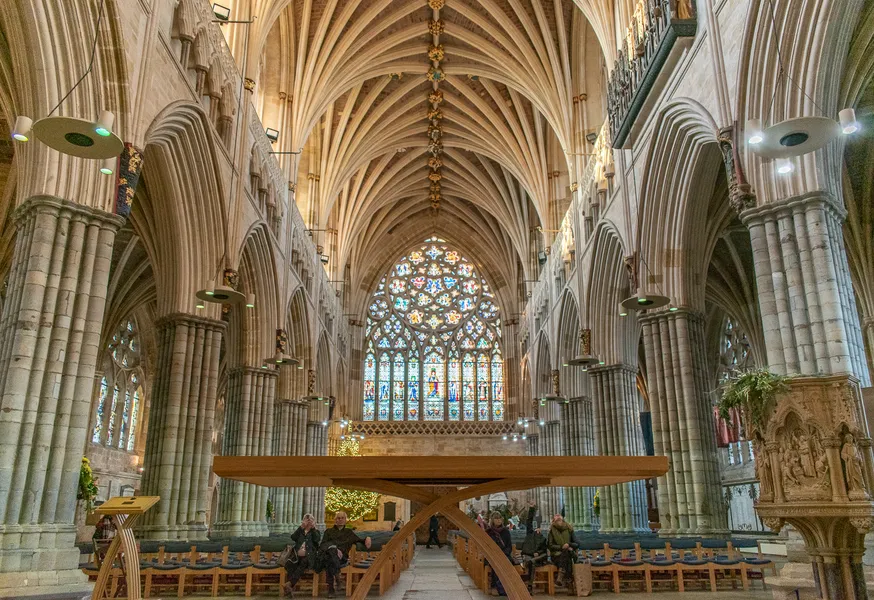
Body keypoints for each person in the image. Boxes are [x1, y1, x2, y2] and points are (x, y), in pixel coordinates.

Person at [318, 511, 372, 598]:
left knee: (329, 560)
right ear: (335, 520)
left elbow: (360, 540)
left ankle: (331, 589)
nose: (340, 520)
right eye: (338, 518)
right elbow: (322, 545)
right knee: (331, 555)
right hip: (330, 556)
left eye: (342, 518)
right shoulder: (328, 531)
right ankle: (338, 578)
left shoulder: (349, 532)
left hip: (342, 558)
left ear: (345, 520)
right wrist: (334, 548)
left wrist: (368, 538)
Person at [283, 513, 321, 598]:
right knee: (290, 563)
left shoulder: (315, 532)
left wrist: (313, 528)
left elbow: (317, 539)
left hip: (310, 557)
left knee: (304, 561)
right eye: (306, 520)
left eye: (310, 520)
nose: (308, 522)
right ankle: (289, 589)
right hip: (297, 556)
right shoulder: (300, 531)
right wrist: (301, 527)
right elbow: (293, 537)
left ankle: (289, 584)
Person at [519, 501, 548, 592]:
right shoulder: (530, 534)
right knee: (531, 562)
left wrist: (537, 553)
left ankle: (530, 585)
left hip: (539, 558)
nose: (538, 529)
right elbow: (529, 521)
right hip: (529, 556)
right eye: (537, 528)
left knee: (533, 561)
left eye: (540, 528)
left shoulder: (543, 538)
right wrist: (531, 508)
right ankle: (530, 585)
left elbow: (544, 550)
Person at [485, 511, 513, 597]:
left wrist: (504, 554)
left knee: (507, 563)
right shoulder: (488, 532)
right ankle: (495, 586)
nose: (498, 520)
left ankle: (506, 587)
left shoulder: (506, 531)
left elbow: (509, 546)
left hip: (504, 555)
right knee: (496, 564)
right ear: (492, 520)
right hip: (492, 556)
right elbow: (486, 546)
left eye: (499, 518)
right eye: (496, 518)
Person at [548, 514, 578, 589]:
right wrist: (562, 547)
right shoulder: (552, 531)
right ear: (553, 521)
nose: (558, 516)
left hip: (568, 554)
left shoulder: (569, 529)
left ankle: (561, 576)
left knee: (566, 555)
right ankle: (569, 585)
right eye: (556, 517)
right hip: (556, 555)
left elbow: (577, 543)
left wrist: (569, 544)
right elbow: (550, 546)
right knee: (568, 559)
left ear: (563, 519)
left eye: (559, 516)